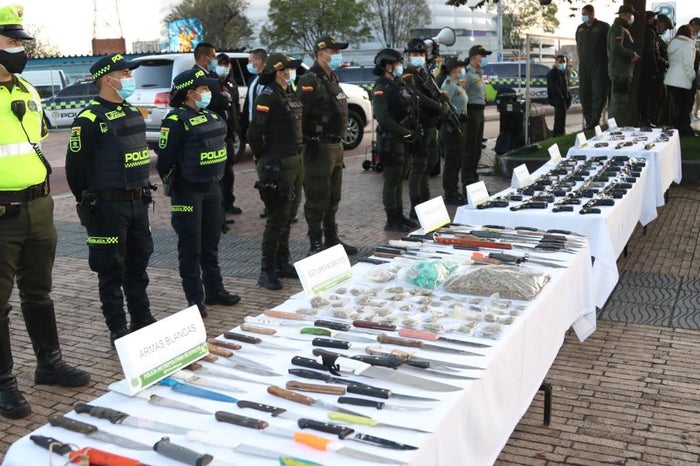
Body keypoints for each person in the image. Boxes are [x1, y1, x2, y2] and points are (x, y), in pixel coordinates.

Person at [0, 3, 89, 420]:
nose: (19, 49)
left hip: (38, 206)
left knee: (38, 291)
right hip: (1, 211)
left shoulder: (27, 90)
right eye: (11, 41)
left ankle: (49, 364)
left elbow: (35, 140)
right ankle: (4, 383)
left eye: (20, 41)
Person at [66, 54, 156, 345]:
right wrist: (90, 201)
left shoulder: (132, 112)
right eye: (125, 73)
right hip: (107, 207)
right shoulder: (89, 119)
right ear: (108, 79)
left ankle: (142, 318)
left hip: (138, 201)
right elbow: (74, 169)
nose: (130, 78)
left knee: (138, 265)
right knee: (110, 269)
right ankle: (118, 328)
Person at [157, 69, 241, 316]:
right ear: (190, 93)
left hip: (212, 188)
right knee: (190, 247)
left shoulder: (211, 115)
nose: (208, 92)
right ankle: (195, 298)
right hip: (187, 192)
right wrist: (179, 183)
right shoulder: (175, 120)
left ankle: (215, 290)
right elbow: (164, 161)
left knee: (211, 243)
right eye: (204, 89)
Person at [247, 53, 305, 290]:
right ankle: (267, 270)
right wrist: (264, 157)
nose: (291, 72)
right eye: (287, 69)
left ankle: (282, 262)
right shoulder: (268, 96)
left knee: (288, 214)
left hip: (294, 160)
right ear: (278, 72)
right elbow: (254, 132)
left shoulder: (287, 92)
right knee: (277, 217)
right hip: (277, 162)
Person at [297, 35, 356, 256]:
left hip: (335, 145)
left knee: (333, 196)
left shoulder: (331, 78)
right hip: (318, 148)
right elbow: (300, 116)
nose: (338, 55)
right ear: (321, 53)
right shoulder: (309, 80)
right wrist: (305, 144)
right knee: (317, 197)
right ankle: (315, 243)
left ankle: (331, 238)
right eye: (334, 51)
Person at [372, 48, 419, 232]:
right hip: (390, 140)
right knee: (392, 180)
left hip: (402, 138)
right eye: (397, 63)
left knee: (400, 177)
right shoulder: (381, 87)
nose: (400, 66)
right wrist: (403, 131)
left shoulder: (398, 84)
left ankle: (399, 215)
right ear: (388, 66)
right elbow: (382, 117)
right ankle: (392, 218)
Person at [402, 38, 449, 219]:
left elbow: (432, 92)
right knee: (419, 166)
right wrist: (437, 105)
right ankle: (416, 206)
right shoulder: (408, 74)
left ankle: (425, 199)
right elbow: (416, 96)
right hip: (418, 125)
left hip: (430, 125)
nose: (418, 57)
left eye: (421, 54)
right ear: (408, 56)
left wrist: (441, 100)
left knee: (430, 163)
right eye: (415, 54)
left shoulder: (424, 73)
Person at [241, 48, 269, 220]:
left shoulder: (270, 81)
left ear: (258, 62)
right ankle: (268, 203)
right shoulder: (253, 81)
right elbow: (248, 107)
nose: (248, 65)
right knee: (261, 170)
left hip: (268, 132)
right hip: (254, 132)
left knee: (272, 170)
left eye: (250, 61)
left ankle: (282, 207)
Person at [214, 53, 242, 221]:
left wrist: (237, 127)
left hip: (230, 133)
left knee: (229, 171)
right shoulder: (212, 84)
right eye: (221, 64)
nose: (224, 67)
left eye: (227, 64)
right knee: (219, 173)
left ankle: (229, 202)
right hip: (218, 134)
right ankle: (219, 209)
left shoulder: (231, 83)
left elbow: (235, 106)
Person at [575, 5, 610, 129]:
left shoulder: (603, 27)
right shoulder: (580, 29)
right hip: (584, 66)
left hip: (599, 66)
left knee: (599, 93)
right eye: (582, 14)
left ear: (592, 14)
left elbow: (610, 45)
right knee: (584, 94)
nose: (583, 16)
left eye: (585, 14)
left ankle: (595, 119)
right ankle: (588, 119)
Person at [440, 57, 468, 205]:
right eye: (459, 67)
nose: (462, 69)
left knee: (457, 160)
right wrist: (454, 117)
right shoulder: (449, 85)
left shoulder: (457, 84)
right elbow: (444, 106)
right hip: (451, 127)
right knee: (452, 161)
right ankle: (450, 193)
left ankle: (454, 190)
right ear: (453, 69)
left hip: (458, 126)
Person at [463, 45, 490, 195]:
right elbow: (461, 95)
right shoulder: (467, 75)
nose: (484, 59)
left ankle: (474, 181)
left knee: (477, 149)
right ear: (474, 57)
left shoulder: (478, 73)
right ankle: (467, 183)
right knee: (470, 149)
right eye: (482, 56)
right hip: (471, 112)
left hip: (479, 111)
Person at [607, 4, 640, 127]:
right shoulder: (618, 29)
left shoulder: (621, 28)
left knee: (618, 100)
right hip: (620, 72)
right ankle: (616, 128)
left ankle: (615, 126)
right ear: (625, 14)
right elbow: (616, 48)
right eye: (631, 15)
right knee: (619, 101)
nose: (632, 18)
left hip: (621, 70)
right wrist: (632, 54)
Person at [664, 25, 697, 137]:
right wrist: (693, 77)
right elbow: (688, 64)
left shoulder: (673, 44)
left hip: (671, 78)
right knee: (684, 107)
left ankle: (675, 128)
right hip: (683, 80)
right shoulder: (687, 45)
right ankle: (683, 129)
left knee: (676, 106)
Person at [639, 12, 663, 127]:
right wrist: (655, 69)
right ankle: (645, 119)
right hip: (648, 69)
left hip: (646, 68)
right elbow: (651, 52)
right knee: (647, 96)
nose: (655, 21)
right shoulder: (649, 32)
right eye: (653, 19)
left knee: (646, 96)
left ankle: (646, 118)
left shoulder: (647, 31)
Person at [654, 14, 673, 125]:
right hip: (657, 74)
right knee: (657, 100)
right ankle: (655, 121)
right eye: (665, 27)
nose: (665, 30)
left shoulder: (658, 38)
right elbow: (656, 56)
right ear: (660, 24)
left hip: (660, 73)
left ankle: (657, 121)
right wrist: (666, 63)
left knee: (662, 99)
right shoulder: (654, 37)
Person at [547, 55, 572, 137]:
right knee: (559, 117)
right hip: (557, 99)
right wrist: (561, 99)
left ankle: (561, 132)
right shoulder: (552, 73)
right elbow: (554, 88)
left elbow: (567, 86)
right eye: (560, 62)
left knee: (562, 117)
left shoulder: (565, 72)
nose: (562, 64)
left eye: (564, 62)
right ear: (556, 63)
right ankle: (557, 133)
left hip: (564, 99)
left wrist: (568, 98)